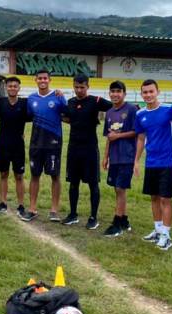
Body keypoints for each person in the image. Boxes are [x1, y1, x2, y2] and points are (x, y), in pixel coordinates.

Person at [134, 79, 172, 250]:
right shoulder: (140, 114)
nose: (148, 95)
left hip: (168, 161)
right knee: (154, 197)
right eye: (145, 92)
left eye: (151, 91)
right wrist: (136, 161)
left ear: (158, 92)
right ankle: (157, 230)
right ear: (141, 94)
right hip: (151, 162)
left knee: (165, 198)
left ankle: (166, 235)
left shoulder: (169, 110)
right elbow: (141, 138)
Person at [62, 74, 112, 230]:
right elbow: (68, 118)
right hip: (73, 148)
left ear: (88, 87)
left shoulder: (95, 101)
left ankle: (93, 217)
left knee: (93, 184)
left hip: (90, 148)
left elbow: (115, 107)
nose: (79, 90)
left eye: (82, 87)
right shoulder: (70, 102)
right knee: (73, 184)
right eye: (76, 87)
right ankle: (73, 214)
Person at [20, 69, 68, 222]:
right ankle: (32, 209)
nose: (42, 81)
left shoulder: (58, 97)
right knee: (35, 175)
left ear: (50, 80)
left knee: (55, 176)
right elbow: (27, 117)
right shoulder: (31, 98)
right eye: (40, 78)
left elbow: (68, 115)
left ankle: (54, 210)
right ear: (35, 80)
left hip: (53, 142)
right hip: (36, 143)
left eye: (45, 78)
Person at [102, 81, 137, 237]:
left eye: (118, 91)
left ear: (124, 93)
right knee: (117, 189)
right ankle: (124, 219)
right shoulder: (109, 112)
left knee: (120, 188)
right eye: (112, 91)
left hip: (127, 156)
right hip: (114, 158)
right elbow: (109, 136)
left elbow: (137, 132)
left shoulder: (131, 109)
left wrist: (119, 136)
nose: (115, 94)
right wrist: (105, 156)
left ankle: (117, 223)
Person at [0, 76, 29, 216]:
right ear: (6, 87)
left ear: (19, 88)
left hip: (18, 145)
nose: (12, 88)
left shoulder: (25, 103)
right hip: (3, 144)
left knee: (19, 175)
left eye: (15, 86)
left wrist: (57, 94)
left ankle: (20, 205)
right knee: (3, 174)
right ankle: (3, 203)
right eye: (10, 86)